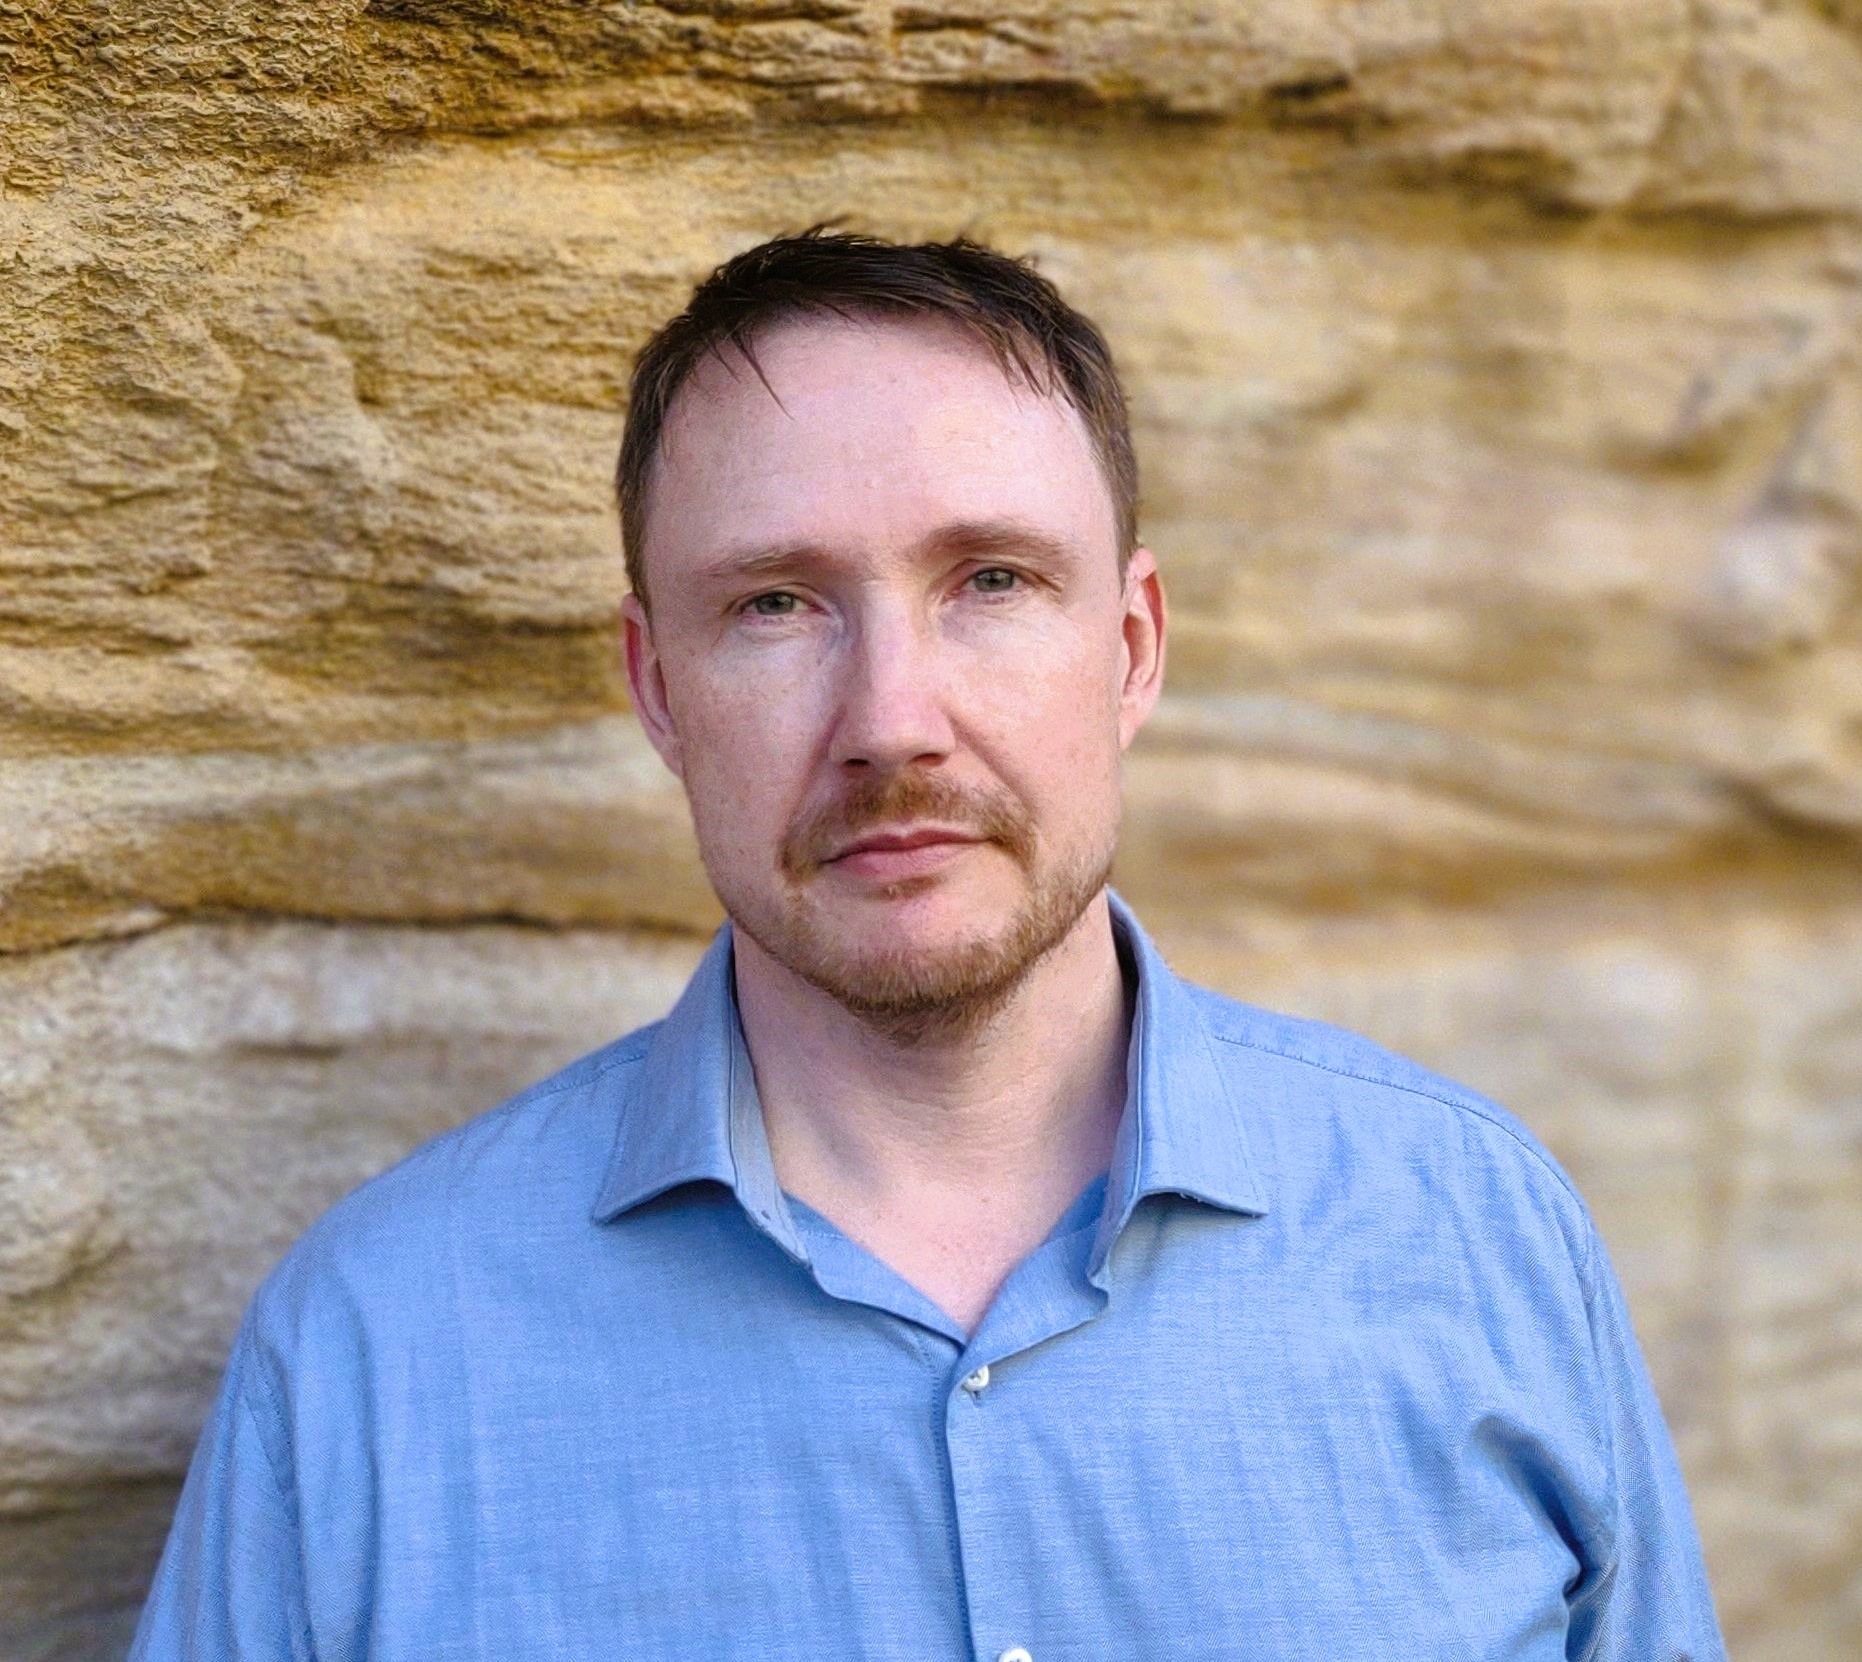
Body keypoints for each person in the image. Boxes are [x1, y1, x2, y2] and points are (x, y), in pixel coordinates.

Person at [130, 228, 1727, 1661]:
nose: (893, 721)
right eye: (773, 603)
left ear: (1131, 647)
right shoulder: (366, 1359)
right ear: (655, 688)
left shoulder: (1475, 1236)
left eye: (990, 579)